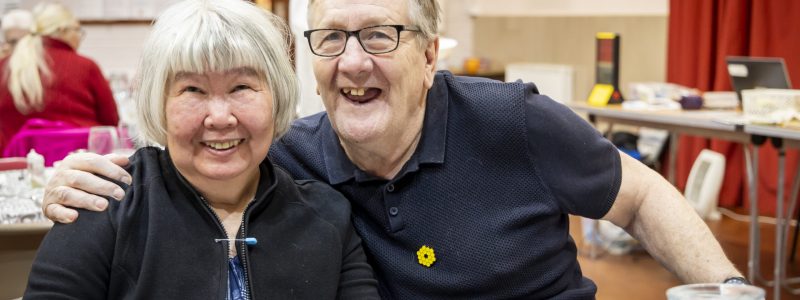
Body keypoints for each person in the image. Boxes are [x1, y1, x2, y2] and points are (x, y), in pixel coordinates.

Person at [43, 0, 745, 298]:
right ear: (310, 61)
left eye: (380, 35)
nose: (352, 62)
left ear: (431, 54)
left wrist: (731, 289)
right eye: (331, 39)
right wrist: (69, 179)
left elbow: (643, 195)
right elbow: (201, 154)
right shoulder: (288, 158)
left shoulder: (517, 122)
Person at [24, 0, 378, 299]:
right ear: (159, 103)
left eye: (242, 86)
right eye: (192, 90)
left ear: (278, 97)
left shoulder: (328, 216)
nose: (220, 117)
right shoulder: (106, 203)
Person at [0, 3, 118, 153]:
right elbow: (111, 122)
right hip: (81, 164)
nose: (79, 37)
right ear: (63, 31)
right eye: (77, 30)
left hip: (18, 167)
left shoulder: (4, 66)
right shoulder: (87, 66)